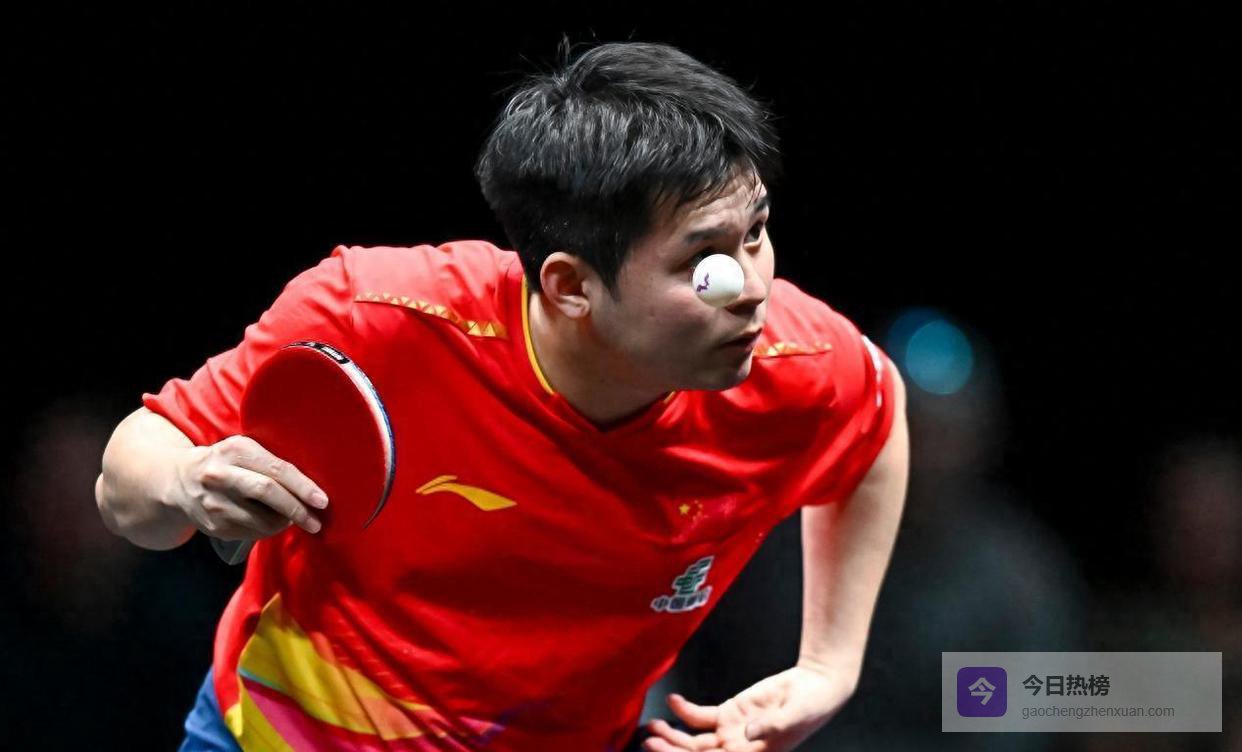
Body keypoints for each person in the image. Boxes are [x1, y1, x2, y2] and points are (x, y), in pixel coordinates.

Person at [95, 41, 909, 752]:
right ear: (570, 286)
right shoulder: (373, 319)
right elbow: (127, 488)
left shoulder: (793, 361)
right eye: (705, 265)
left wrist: (828, 667)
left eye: (757, 233)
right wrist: (186, 481)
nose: (754, 288)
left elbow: (877, 419)